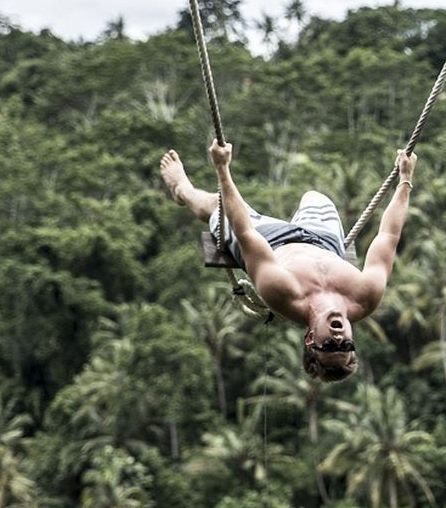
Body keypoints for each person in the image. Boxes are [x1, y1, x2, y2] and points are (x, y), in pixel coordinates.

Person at [159, 141, 416, 382]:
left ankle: (182, 190)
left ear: (310, 339)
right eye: (346, 345)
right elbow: (388, 236)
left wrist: (222, 169)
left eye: (329, 345)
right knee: (315, 196)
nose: (338, 338)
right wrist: (405, 179)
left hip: (269, 241)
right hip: (323, 241)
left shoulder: (285, 294)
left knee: (215, 207)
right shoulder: (365, 296)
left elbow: (245, 232)